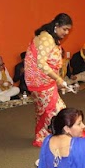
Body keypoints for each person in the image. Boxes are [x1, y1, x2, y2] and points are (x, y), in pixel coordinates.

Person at [25, 13, 72, 147]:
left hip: (46, 81)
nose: (67, 32)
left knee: (44, 111)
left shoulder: (51, 37)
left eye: (69, 30)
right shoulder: (46, 38)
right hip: (40, 82)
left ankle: (43, 137)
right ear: (56, 25)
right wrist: (58, 79)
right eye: (65, 29)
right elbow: (41, 63)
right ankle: (61, 140)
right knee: (57, 111)